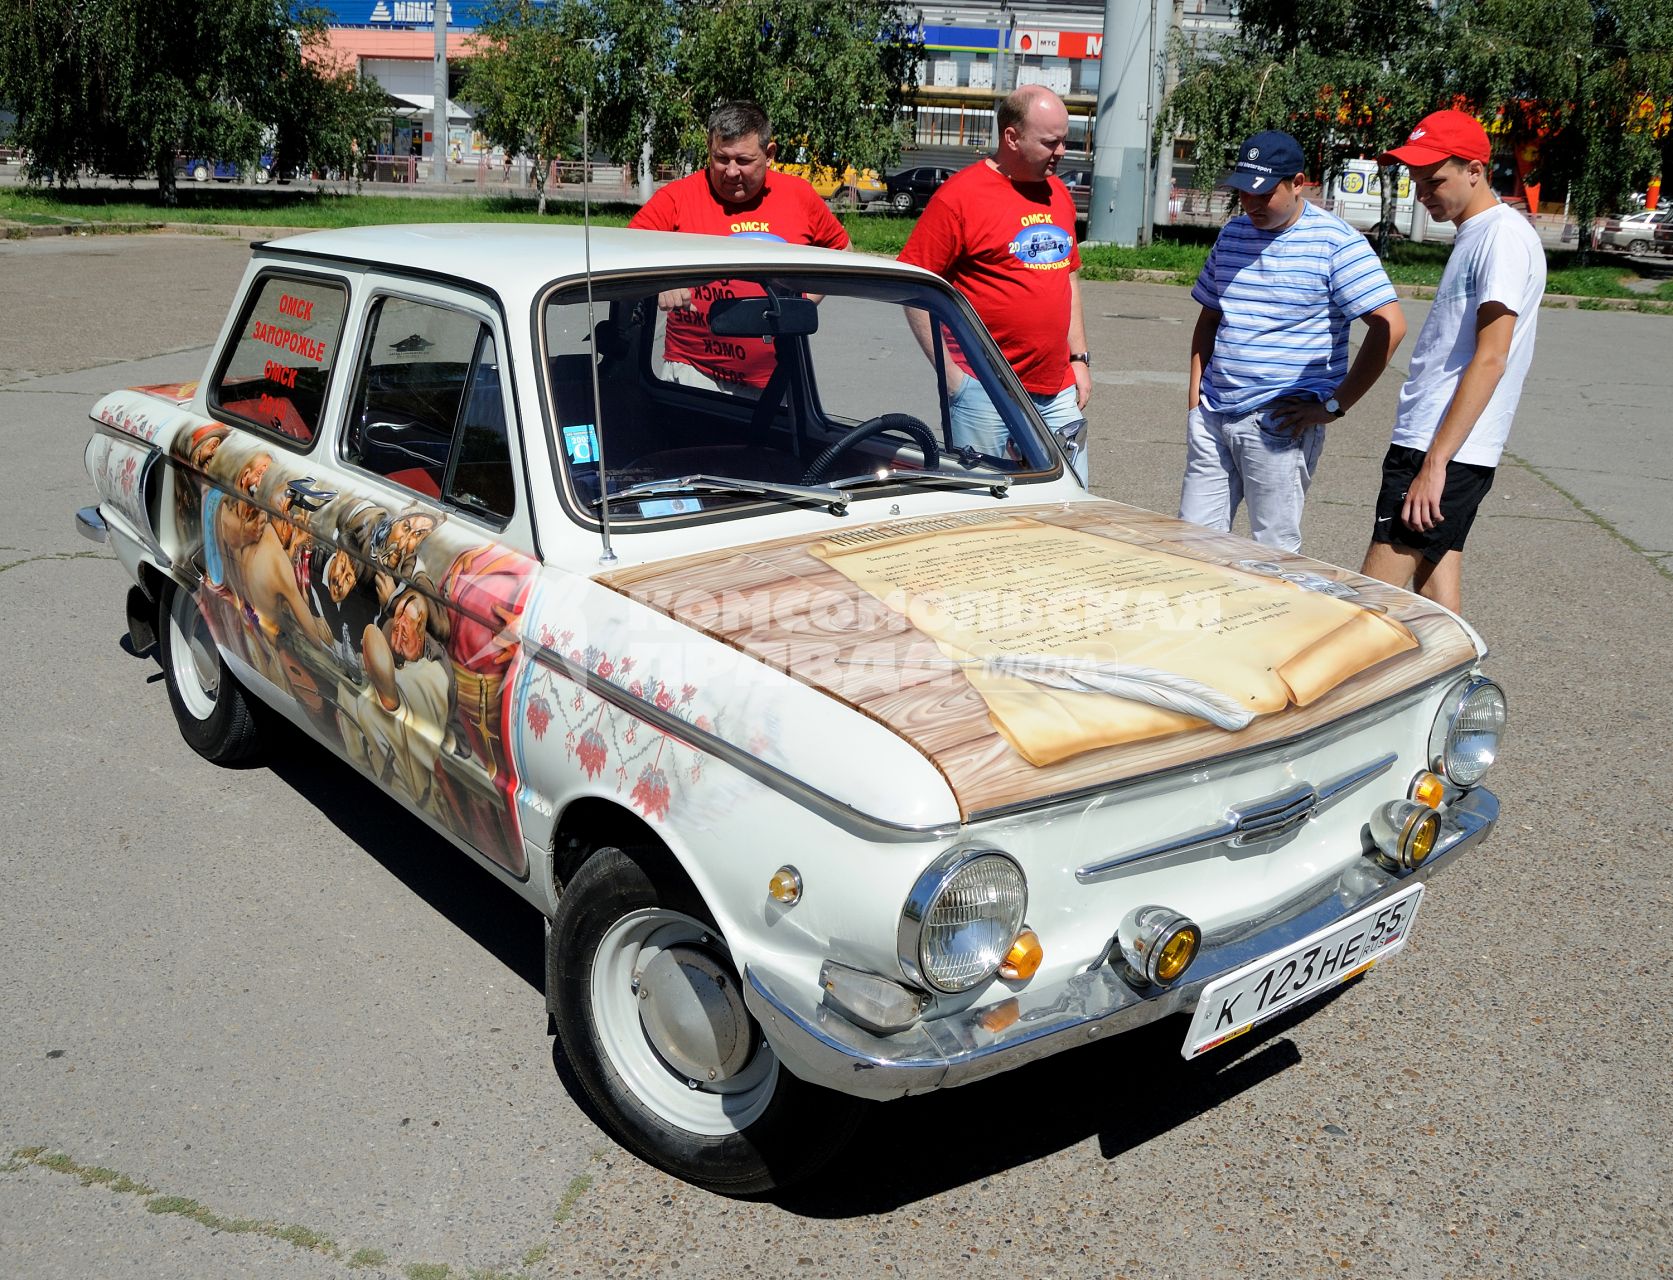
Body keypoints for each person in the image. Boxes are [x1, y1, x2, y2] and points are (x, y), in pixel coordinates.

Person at [1181, 130, 1407, 553]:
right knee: (1193, 546)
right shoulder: (1232, 236)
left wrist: (1335, 406)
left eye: (1263, 193)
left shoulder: (1336, 243)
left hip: (1279, 424)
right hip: (1213, 415)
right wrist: (1195, 398)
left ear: (1298, 182)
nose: (1250, 204)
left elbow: (1389, 326)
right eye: (1243, 193)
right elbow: (1210, 317)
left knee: (1273, 554)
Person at [1358, 109, 1545, 613]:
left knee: (1370, 605)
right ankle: (1463, 688)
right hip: (1439, 442)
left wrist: (1435, 462)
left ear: (1476, 170)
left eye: (1434, 180)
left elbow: (1491, 358)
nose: (1423, 193)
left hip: (1441, 448)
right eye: (1417, 181)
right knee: (1437, 598)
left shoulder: (1500, 237)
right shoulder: (1479, 233)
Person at [898, 85, 1091, 480]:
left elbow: (1067, 277)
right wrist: (954, 379)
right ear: (1012, 138)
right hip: (983, 391)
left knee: (1070, 508)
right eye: (1050, 142)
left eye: (1064, 141)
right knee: (983, 512)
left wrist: (1079, 360)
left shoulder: (1059, 194)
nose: (1061, 152)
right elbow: (915, 288)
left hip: (1055, 389)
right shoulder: (960, 198)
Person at [628, 100, 850, 394]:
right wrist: (661, 280)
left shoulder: (798, 197)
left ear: (769, 154)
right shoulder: (678, 198)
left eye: (744, 161)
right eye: (721, 158)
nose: (731, 171)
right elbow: (626, 254)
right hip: (693, 375)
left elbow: (841, 250)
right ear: (709, 148)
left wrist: (803, 302)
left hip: (777, 381)